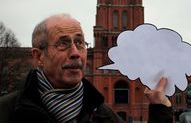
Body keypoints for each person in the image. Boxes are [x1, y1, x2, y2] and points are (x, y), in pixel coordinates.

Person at [0, 14, 173, 123]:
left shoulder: (101, 113)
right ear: (39, 57)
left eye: (80, 43)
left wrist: (160, 110)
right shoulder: (8, 111)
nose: (75, 53)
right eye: (63, 43)